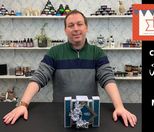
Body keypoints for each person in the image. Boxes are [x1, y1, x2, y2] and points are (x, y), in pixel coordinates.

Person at [3, 10, 137, 127]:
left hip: (89, 112)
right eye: (71, 25)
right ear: (65, 30)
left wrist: (119, 107)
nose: (76, 28)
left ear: (86, 27)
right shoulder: (54, 52)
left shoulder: (97, 52)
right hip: (60, 112)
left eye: (80, 24)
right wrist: (23, 105)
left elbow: (108, 79)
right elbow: (39, 77)